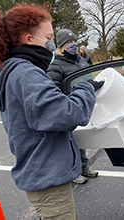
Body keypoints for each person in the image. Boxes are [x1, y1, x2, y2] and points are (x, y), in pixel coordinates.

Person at [0, 4, 103, 220]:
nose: (52, 44)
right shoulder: (26, 73)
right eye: (48, 37)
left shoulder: (18, 70)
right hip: (48, 182)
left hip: (43, 176)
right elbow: (68, 114)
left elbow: (45, 111)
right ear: (28, 39)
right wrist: (84, 87)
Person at [47, 29, 98, 184]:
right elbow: (53, 88)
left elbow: (87, 77)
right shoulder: (55, 64)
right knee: (71, 143)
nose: (73, 45)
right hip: (70, 106)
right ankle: (73, 173)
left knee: (81, 140)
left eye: (74, 41)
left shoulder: (80, 60)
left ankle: (83, 166)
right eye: (69, 43)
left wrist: (93, 85)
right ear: (62, 46)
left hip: (83, 105)